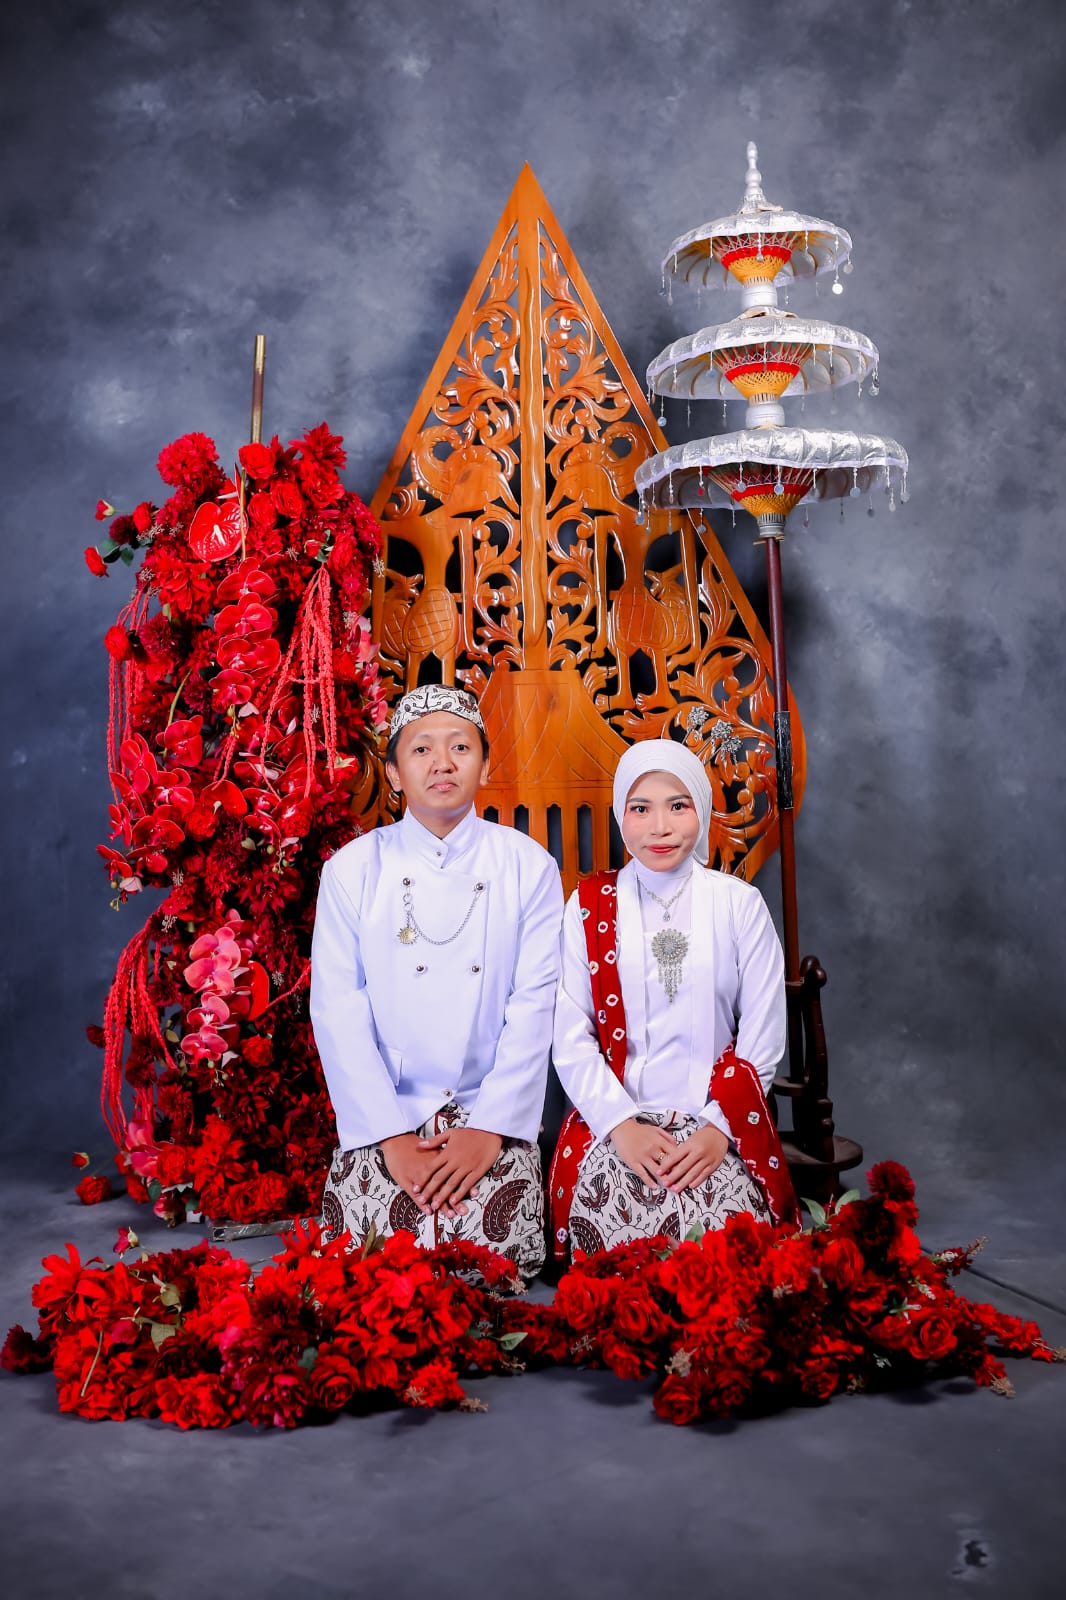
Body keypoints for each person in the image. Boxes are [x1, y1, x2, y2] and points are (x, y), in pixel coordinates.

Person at [310, 683, 564, 1278]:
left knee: (494, 1264)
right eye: (421, 749)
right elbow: (338, 1011)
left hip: (488, 1108)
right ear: (394, 773)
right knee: (368, 1267)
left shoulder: (529, 865)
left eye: (460, 747)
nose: (442, 763)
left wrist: (490, 1128)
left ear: (485, 765)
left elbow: (535, 1006)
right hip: (388, 1110)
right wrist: (390, 1135)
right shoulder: (352, 870)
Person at [549, 738, 798, 1262]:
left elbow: (764, 1031)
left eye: (678, 806)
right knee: (618, 1257)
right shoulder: (588, 907)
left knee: (727, 1255)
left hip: (717, 1120)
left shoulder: (738, 904)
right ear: (621, 817)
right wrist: (622, 1128)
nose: (659, 827)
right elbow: (571, 1037)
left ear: (701, 812)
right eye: (641, 809)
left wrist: (718, 1131)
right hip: (618, 1121)